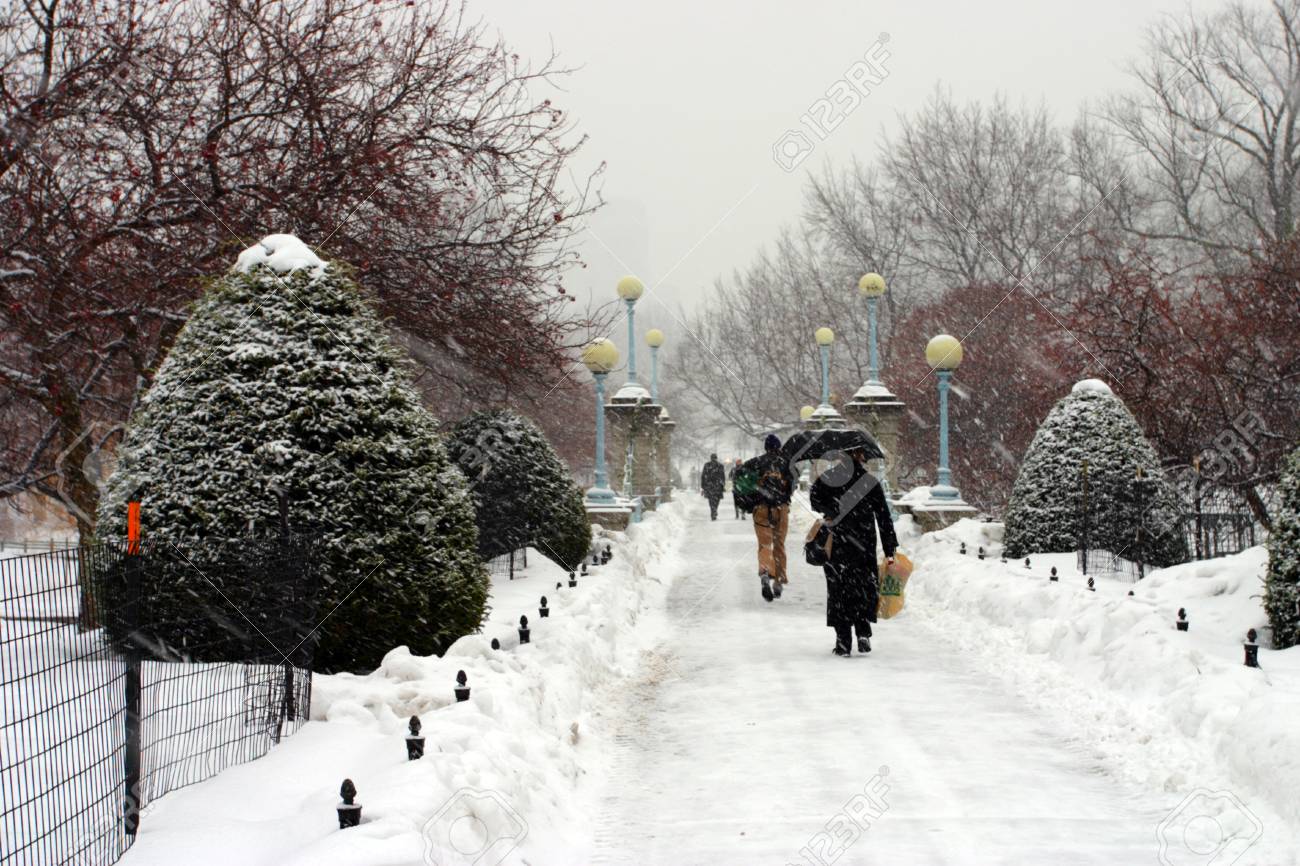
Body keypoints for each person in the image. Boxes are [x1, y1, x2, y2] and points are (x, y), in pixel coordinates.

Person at [810, 446, 897, 656]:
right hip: (864, 544)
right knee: (864, 587)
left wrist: (831, 510)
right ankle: (863, 632)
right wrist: (889, 548)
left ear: (841, 455)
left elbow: (814, 500)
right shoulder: (869, 481)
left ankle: (843, 640)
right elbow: (883, 516)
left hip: (838, 543)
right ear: (861, 456)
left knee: (839, 590)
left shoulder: (828, 478)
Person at [743, 434, 797, 602]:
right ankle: (779, 581)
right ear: (779, 446)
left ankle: (766, 573)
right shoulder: (787, 463)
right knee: (779, 545)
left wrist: (750, 498)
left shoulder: (756, 462)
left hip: (761, 509)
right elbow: (793, 484)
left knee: (765, 544)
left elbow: (742, 477)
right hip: (781, 509)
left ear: (766, 447)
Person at [700, 454, 726, 520]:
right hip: (717, 486)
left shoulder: (707, 465)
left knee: (711, 500)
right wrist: (722, 485)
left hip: (710, 486)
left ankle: (713, 511)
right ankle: (714, 510)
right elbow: (722, 476)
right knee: (716, 500)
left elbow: (703, 476)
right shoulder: (720, 466)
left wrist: (703, 485)